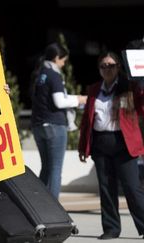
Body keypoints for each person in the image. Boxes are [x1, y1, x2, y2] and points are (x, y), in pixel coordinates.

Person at [78, 51, 144, 240]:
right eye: (103, 66)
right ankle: (111, 229)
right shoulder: (94, 89)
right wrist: (83, 146)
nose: (107, 69)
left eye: (111, 65)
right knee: (106, 188)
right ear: (99, 69)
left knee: (132, 188)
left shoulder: (129, 88)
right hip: (101, 143)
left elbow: (141, 108)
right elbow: (87, 120)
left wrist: (142, 85)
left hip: (124, 144)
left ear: (119, 68)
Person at [30, 43, 87, 199]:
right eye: (63, 61)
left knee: (46, 168)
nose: (63, 64)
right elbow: (60, 102)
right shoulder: (54, 75)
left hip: (38, 125)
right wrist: (79, 99)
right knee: (55, 169)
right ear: (56, 58)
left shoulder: (40, 74)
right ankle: (53, 208)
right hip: (55, 126)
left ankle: (39, 205)